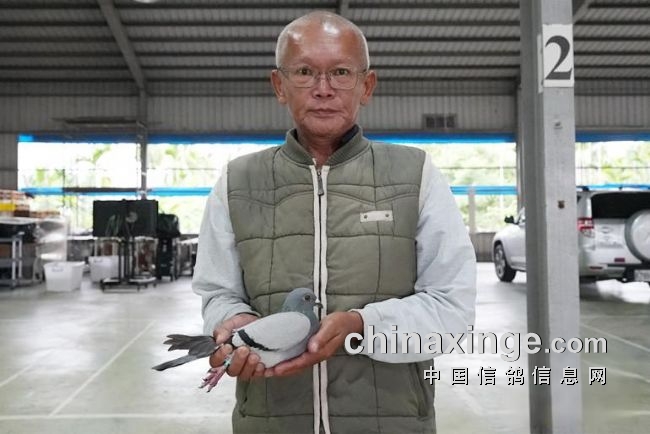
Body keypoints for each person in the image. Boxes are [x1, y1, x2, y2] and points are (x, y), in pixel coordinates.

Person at [192, 11, 476, 434]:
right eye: (304, 72)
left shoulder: (415, 175)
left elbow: (452, 306)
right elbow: (217, 291)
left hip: (391, 421)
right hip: (271, 420)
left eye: (341, 73)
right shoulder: (238, 182)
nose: (323, 89)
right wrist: (232, 320)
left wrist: (360, 326)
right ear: (279, 86)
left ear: (367, 86)